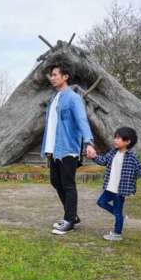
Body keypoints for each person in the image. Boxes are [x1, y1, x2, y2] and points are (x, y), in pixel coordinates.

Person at [41, 62, 96, 235]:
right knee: (56, 182)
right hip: (54, 150)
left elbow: (82, 120)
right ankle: (71, 215)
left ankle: (69, 220)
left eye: (56, 74)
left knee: (68, 184)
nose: (52, 77)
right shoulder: (54, 98)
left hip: (68, 149)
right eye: (51, 75)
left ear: (65, 77)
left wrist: (88, 141)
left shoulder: (73, 98)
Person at [93, 127, 141, 241]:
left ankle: (117, 233)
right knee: (101, 202)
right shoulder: (113, 152)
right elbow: (103, 161)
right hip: (110, 187)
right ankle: (120, 217)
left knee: (117, 211)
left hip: (121, 190)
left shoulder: (132, 156)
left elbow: (140, 170)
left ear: (127, 141)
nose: (115, 140)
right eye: (115, 138)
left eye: (118, 138)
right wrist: (94, 156)